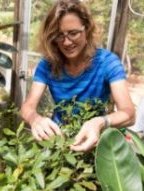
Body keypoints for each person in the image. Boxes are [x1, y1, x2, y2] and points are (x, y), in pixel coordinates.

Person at [21, 0, 135, 153]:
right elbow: (28, 106)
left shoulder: (107, 62)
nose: (67, 42)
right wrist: (35, 119)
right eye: (59, 35)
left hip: (95, 141)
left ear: (87, 29)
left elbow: (129, 114)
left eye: (73, 33)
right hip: (60, 140)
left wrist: (99, 122)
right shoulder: (48, 64)